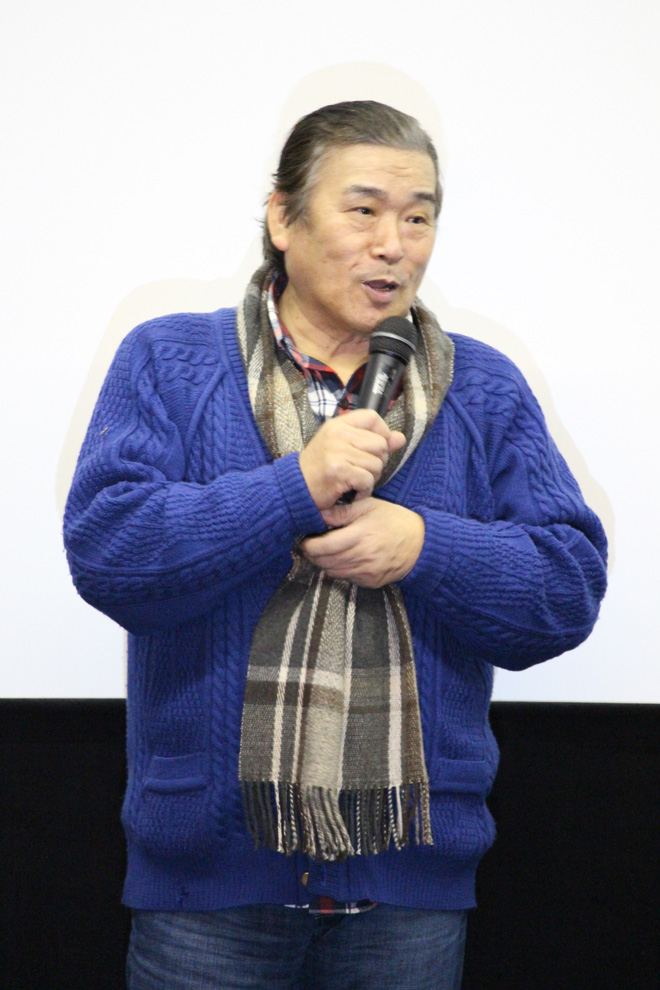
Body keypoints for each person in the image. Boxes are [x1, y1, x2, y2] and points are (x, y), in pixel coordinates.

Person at [63, 101, 608, 989]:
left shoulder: (483, 387)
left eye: (419, 218)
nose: (395, 245)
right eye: (364, 211)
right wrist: (292, 491)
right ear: (283, 218)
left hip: (410, 890)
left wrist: (425, 548)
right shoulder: (168, 360)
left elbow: (568, 589)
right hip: (207, 890)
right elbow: (109, 553)